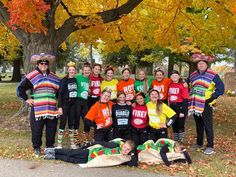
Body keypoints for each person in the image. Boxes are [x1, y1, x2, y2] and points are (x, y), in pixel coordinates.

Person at [17, 53, 60, 156]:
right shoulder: (32, 76)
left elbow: (60, 92)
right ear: (38, 64)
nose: (43, 65)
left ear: (48, 64)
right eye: (41, 63)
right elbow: (20, 89)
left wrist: (61, 104)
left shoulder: (54, 77)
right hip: (38, 109)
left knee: (51, 129)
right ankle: (37, 147)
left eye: (46, 63)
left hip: (52, 109)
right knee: (37, 130)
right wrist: (26, 99)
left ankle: (49, 147)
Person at [188, 53, 224, 155]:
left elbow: (221, 88)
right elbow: (187, 83)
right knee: (199, 125)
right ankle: (199, 144)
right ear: (197, 65)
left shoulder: (213, 75)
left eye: (203, 63)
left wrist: (212, 97)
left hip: (206, 104)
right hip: (195, 103)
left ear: (206, 65)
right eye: (199, 63)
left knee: (208, 125)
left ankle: (210, 146)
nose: (201, 65)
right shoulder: (193, 75)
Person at [44, 139, 138, 167]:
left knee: (71, 160)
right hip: (90, 152)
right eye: (125, 147)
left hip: (91, 160)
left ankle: (52, 156)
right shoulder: (115, 146)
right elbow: (101, 143)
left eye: (128, 149)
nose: (125, 150)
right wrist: (87, 145)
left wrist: (133, 152)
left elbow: (133, 163)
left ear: (130, 151)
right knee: (71, 152)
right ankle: (51, 150)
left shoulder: (123, 158)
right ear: (123, 144)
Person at [56, 61, 77, 149]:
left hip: (73, 104)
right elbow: (59, 94)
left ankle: (72, 143)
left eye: (73, 70)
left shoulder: (75, 80)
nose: (72, 71)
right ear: (68, 71)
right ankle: (59, 144)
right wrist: (60, 107)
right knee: (63, 123)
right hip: (65, 104)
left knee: (71, 123)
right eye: (70, 70)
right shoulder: (64, 80)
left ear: (75, 71)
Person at [168, 70, 189, 143]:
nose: (174, 77)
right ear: (170, 77)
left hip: (180, 106)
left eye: (176, 75)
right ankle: (176, 140)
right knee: (174, 124)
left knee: (180, 124)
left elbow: (186, 99)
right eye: (172, 75)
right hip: (172, 106)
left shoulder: (183, 85)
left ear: (179, 76)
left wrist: (183, 111)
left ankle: (180, 141)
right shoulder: (170, 84)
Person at [75, 63, 91, 144]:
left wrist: (89, 91)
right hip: (77, 101)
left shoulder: (89, 79)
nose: (86, 71)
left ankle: (85, 139)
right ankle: (76, 140)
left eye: (88, 70)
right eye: (85, 70)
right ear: (82, 71)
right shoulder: (77, 77)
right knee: (76, 120)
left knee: (87, 120)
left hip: (85, 102)